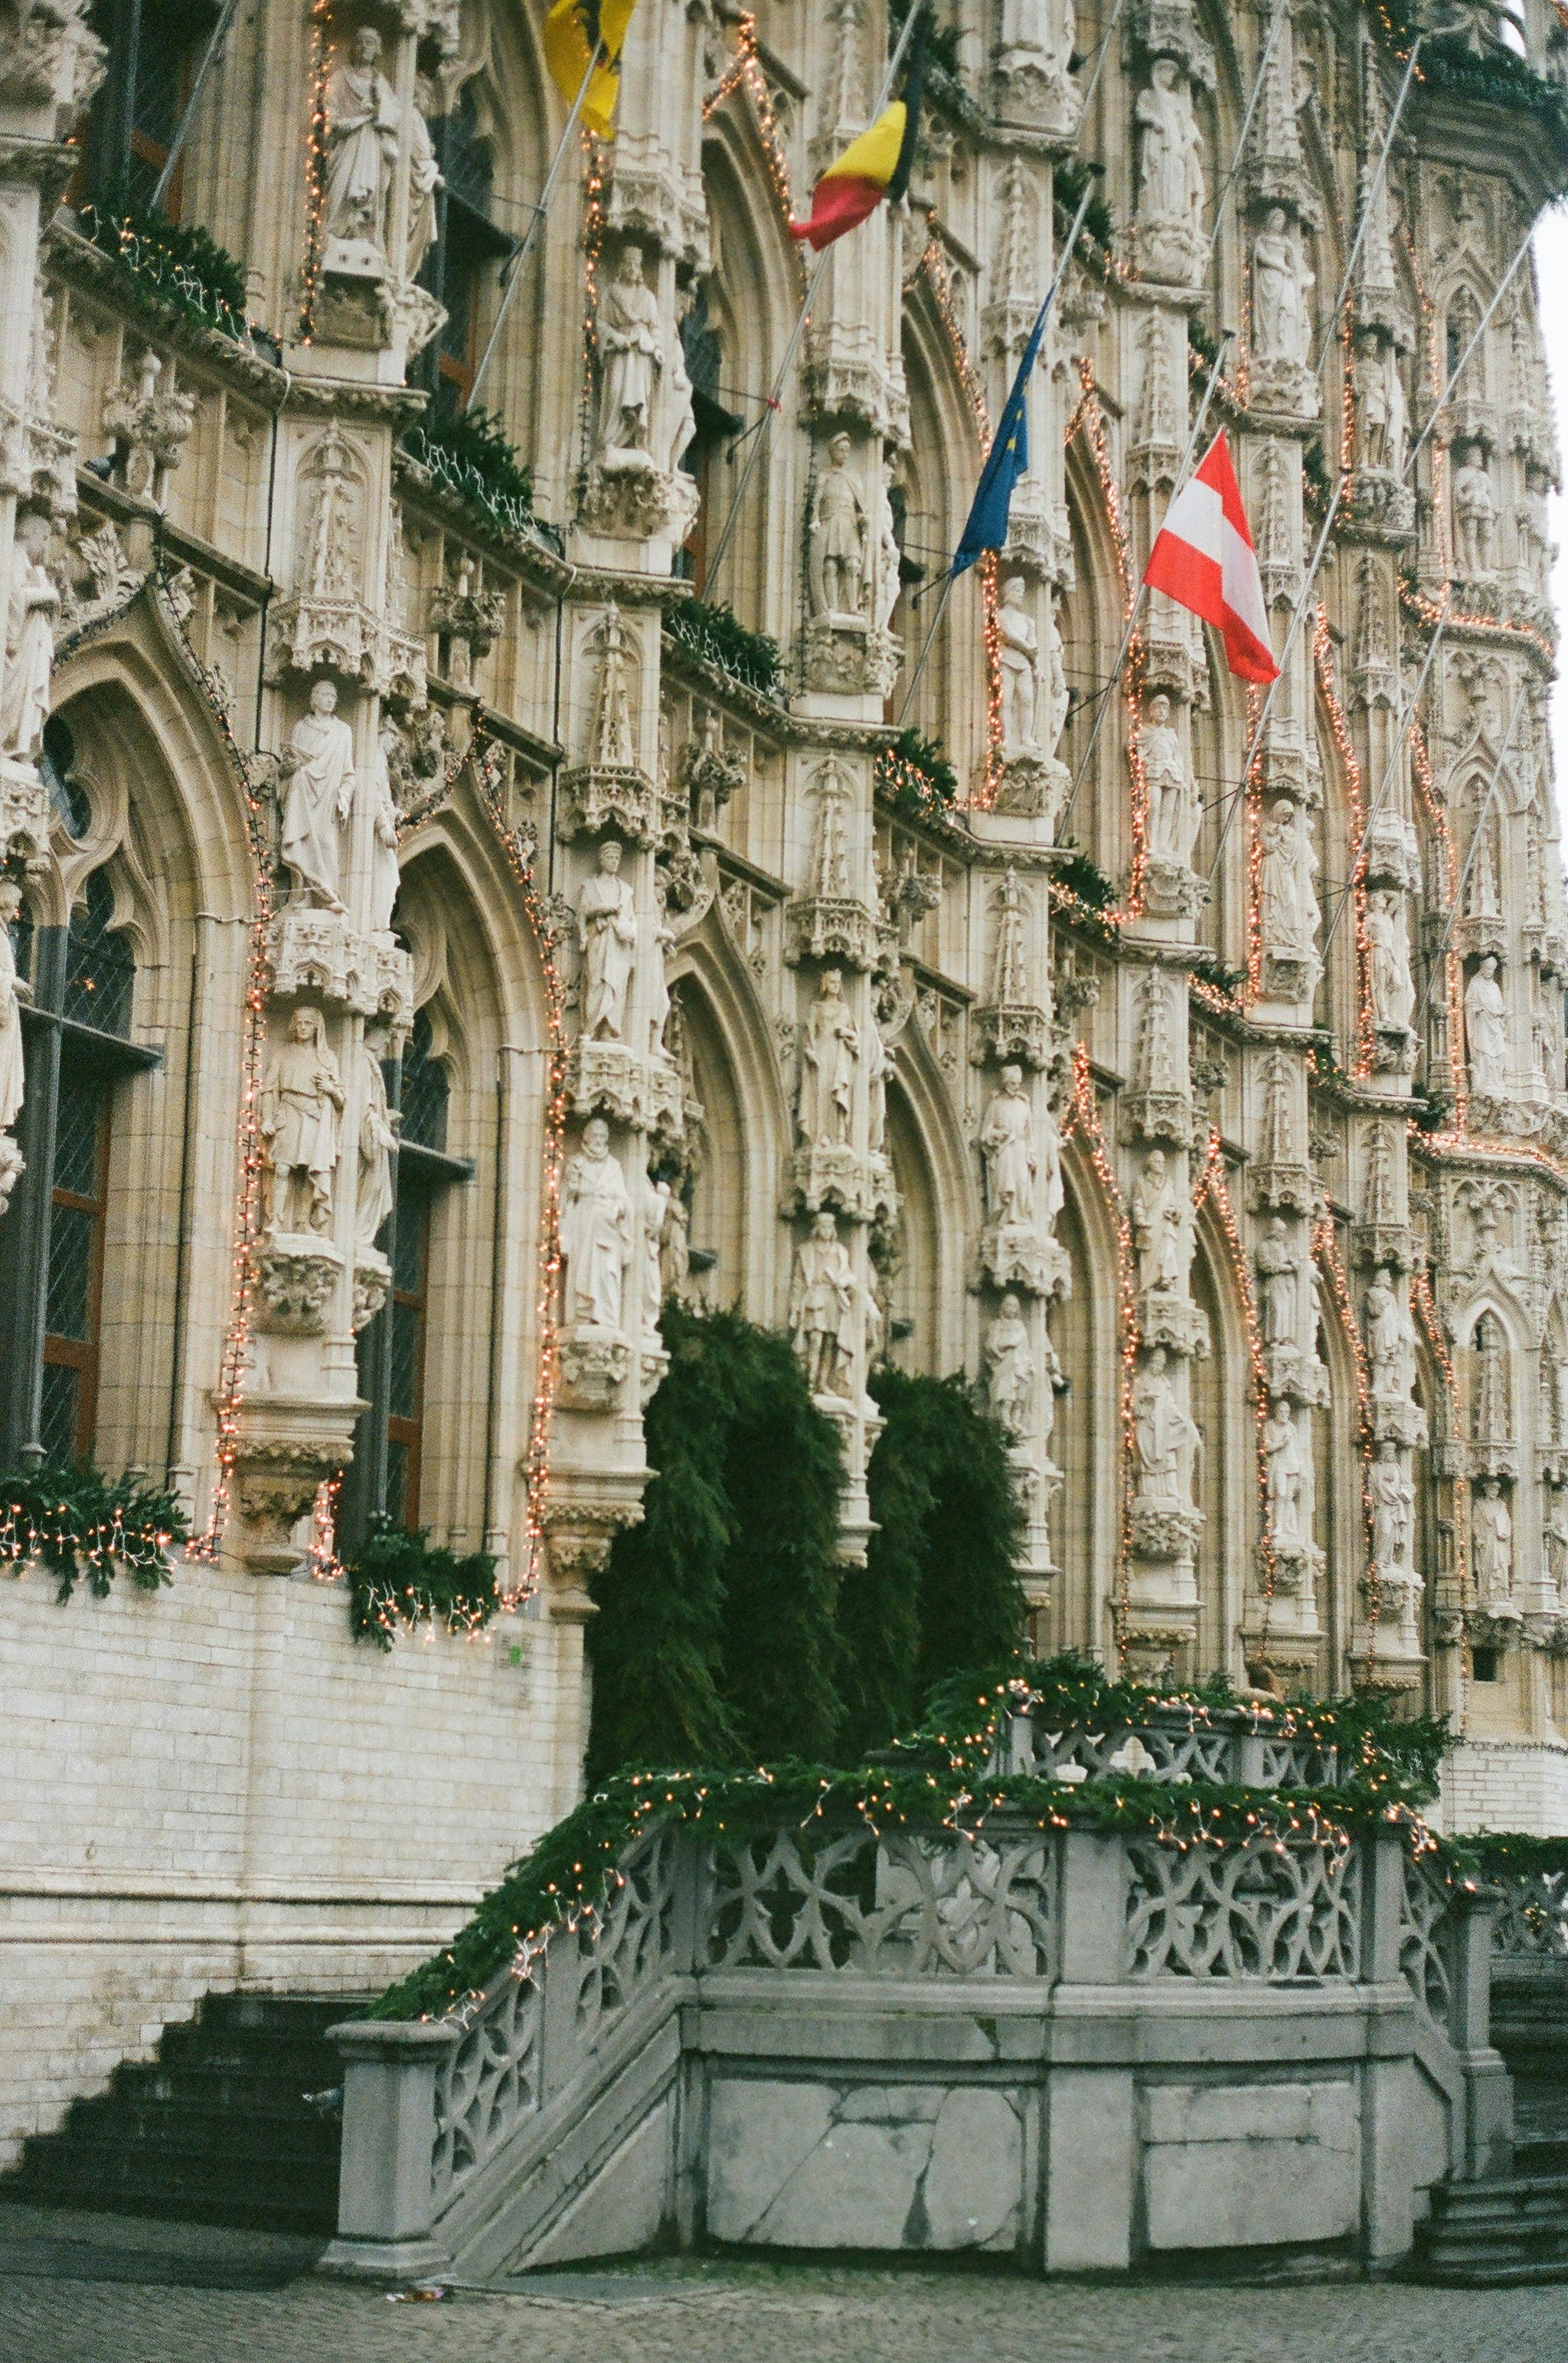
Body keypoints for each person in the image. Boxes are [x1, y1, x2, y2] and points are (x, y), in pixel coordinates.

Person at [282, 681, 356, 911]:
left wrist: (344, 796)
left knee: (326, 843)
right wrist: (289, 768)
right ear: (314, 699)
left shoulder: (343, 731)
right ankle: (302, 894)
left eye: (334, 696)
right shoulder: (302, 728)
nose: (331, 699)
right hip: (302, 792)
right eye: (325, 694)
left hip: (328, 797)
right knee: (302, 841)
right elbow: (286, 767)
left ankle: (326, 897)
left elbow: (349, 773)